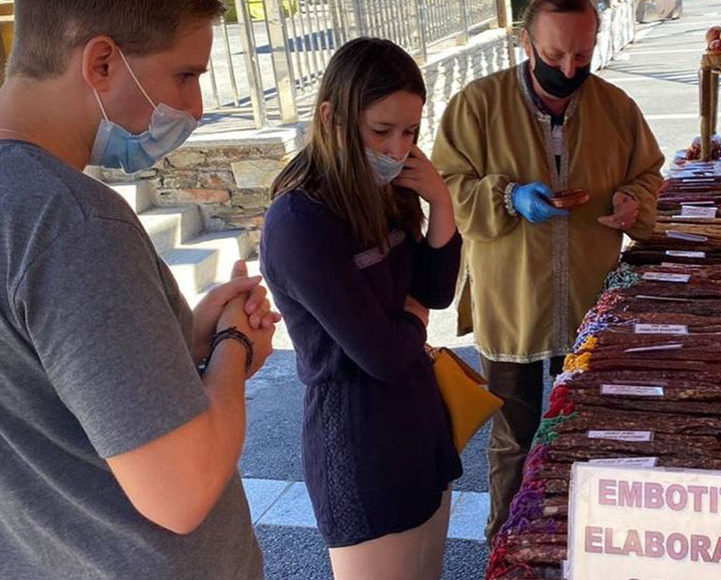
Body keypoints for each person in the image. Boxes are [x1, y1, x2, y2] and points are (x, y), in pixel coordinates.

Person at [0, 1, 280, 578]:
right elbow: (182, 490)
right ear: (102, 63)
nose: (195, 108)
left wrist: (180, 341)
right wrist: (233, 345)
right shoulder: (70, 222)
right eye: (185, 75)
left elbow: (37, 389)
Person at [432, 0, 665, 542]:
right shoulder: (477, 104)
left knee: (587, 427)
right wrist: (507, 196)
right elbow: (445, 187)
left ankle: (578, 542)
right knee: (513, 437)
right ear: (525, 42)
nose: (568, 68)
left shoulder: (616, 108)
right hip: (510, 299)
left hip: (589, 298)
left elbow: (649, 172)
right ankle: (506, 542)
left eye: (582, 54)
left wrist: (633, 200)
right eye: (555, 54)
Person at [260, 38, 462, 580]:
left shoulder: (391, 187)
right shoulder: (299, 220)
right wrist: (414, 319)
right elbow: (382, 355)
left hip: (420, 423)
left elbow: (435, 291)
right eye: (381, 131)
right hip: (360, 443)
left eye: (410, 132)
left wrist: (441, 202)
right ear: (332, 117)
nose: (397, 149)